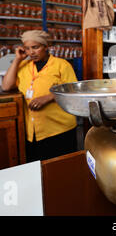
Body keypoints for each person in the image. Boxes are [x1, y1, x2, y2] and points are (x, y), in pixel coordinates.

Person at [1, 30, 78, 162]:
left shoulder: (61, 65)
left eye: (35, 47)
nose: (31, 52)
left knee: (61, 169)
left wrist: (49, 97)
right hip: (32, 132)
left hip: (59, 130)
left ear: (46, 47)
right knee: (38, 170)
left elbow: (74, 90)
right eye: (27, 48)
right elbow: (6, 86)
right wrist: (17, 60)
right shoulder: (24, 66)